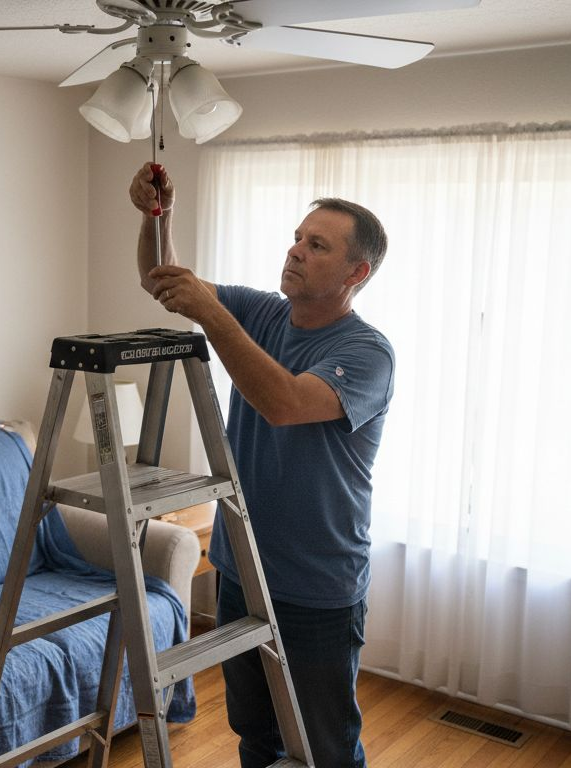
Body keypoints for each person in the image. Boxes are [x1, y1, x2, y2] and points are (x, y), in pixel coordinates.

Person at [130, 163, 394, 768]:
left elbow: (283, 402)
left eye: (317, 245)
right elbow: (158, 279)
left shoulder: (367, 351)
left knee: (323, 747)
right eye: (298, 238)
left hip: (317, 585)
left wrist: (211, 312)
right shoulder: (265, 313)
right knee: (255, 732)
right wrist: (153, 217)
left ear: (357, 273)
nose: (296, 251)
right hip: (241, 566)